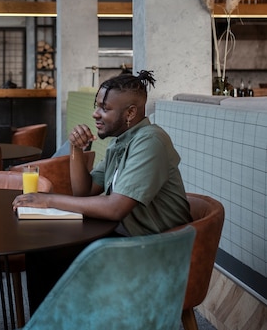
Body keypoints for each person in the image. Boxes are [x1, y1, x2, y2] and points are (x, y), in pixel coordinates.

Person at [13, 70, 192, 312]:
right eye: (97, 106)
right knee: (47, 251)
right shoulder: (120, 142)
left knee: (48, 256)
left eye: (105, 108)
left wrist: (48, 200)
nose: (95, 114)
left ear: (130, 113)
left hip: (155, 248)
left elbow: (115, 208)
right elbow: (84, 192)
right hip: (128, 238)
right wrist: (77, 149)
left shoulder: (150, 142)